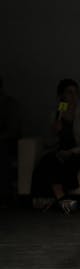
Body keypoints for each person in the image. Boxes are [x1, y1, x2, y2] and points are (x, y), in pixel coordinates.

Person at [31, 79, 80, 214]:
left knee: (69, 162)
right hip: (58, 152)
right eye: (69, 93)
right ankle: (62, 199)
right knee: (48, 161)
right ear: (61, 96)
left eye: (76, 93)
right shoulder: (55, 115)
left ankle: (52, 199)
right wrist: (54, 132)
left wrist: (71, 151)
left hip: (79, 152)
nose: (73, 96)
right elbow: (47, 143)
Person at [0, 76, 20, 208]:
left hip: (7, 142)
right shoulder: (60, 110)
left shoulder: (9, 104)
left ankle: (5, 196)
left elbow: (13, 131)